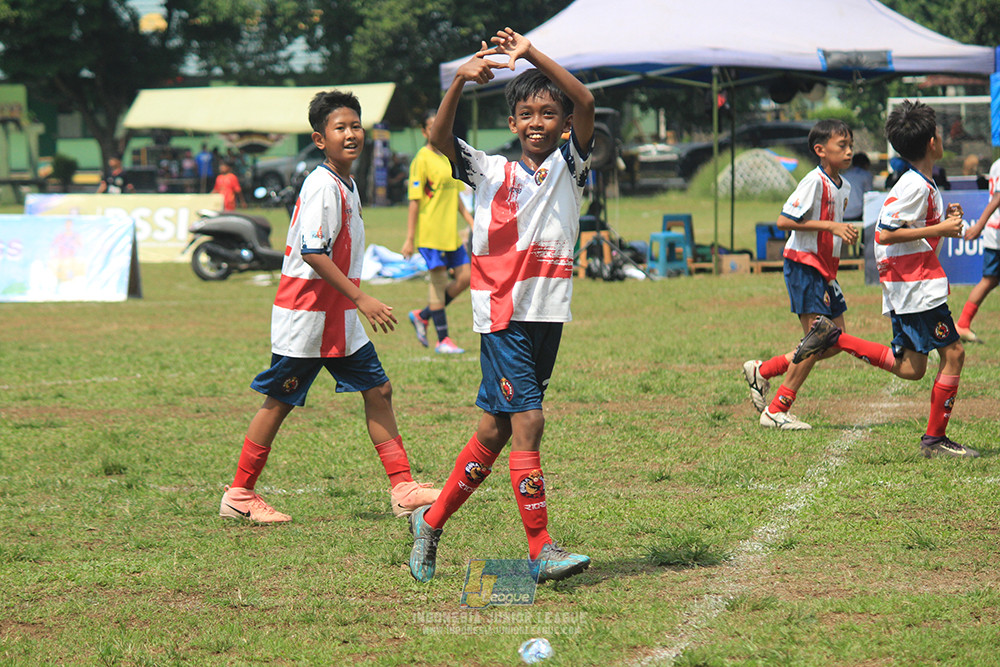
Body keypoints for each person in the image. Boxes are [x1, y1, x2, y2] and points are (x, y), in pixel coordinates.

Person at [407, 27, 595, 584]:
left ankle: (431, 520)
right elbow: (438, 138)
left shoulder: (571, 169)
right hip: (502, 314)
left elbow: (585, 99)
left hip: (547, 314)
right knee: (528, 421)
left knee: (493, 430)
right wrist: (460, 82)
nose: (538, 122)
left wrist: (529, 54)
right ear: (512, 123)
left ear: (561, 125)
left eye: (548, 114)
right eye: (527, 114)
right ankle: (540, 551)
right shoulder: (488, 170)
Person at [219, 90, 441, 524]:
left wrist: (352, 302)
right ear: (320, 139)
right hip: (308, 316)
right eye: (340, 127)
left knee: (378, 390)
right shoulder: (323, 184)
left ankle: (403, 488)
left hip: (336, 316)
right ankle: (240, 494)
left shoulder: (346, 182)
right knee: (278, 401)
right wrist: (362, 298)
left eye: (355, 125)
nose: (351, 133)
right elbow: (312, 251)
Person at [792, 100, 978, 459]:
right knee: (953, 354)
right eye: (938, 134)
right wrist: (941, 226)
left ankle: (837, 338)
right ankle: (935, 441)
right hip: (915, 286)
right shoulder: (914, 185)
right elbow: (885, 232)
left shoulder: (920, 182)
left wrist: (942, 221)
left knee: (911, 368)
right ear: (931, 143)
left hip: (909, 285)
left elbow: (905, 226)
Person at [741, 119, 857, 430]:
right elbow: (783, 221)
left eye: (850, 146)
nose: (849, 152)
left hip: (825, 271)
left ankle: (764, 371)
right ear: (820, 150)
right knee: (819, 338)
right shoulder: (813, 182)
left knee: (834, 340)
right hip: (804, 265)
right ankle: (778, 409)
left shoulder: (843, 186)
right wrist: (831, 226)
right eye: (841, 146)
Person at [403, 111, 476, 354]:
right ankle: (442, 340)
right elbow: (414, 201)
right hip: (431, 234)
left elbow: (454, 196)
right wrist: (410, 239)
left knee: (466, 278)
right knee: (438, 282)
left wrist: (470, 220)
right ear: (425, 132)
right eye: (432, 127)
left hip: (450, 235)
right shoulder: (421, 160)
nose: (437, 131)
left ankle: (423, 315)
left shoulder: (448, 158)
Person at [954, 154, 1000, 343]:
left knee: (990, 280)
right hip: (997, 232)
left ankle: (963, 324)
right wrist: (979, 226)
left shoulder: (996, 163)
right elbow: (998, 197)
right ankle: (962, 324)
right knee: (989, 280)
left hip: (993, 231)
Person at [842, 152, 873, 222]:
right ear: (866, 165)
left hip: (843, 212)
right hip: (858, 213)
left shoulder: (844, 175)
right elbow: (869, 194)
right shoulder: (866, 175)